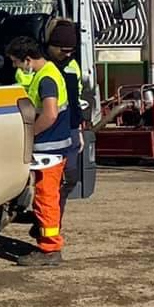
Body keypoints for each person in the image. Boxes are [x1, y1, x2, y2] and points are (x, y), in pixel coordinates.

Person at [7, 36, 72, 262]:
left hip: (49, 149)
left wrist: (30, 133)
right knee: (46, 198)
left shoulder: (46, 79)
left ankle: (50, 249)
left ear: (27, 59)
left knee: (46, 199)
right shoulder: (48, 73)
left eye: (16, 62)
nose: (16, 67)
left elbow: (50, 114)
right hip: (53, 147)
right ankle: (48, 244)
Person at [44, 18, 88, 194]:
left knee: (69, 179)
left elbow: (75, 99)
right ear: (52, 46)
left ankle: (54, 220)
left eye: (72, 51)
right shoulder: (42, 67)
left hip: (70, 130)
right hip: (47, 130)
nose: (68, 54)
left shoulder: (72, 66)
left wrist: (78, 129)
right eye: (64, 50)